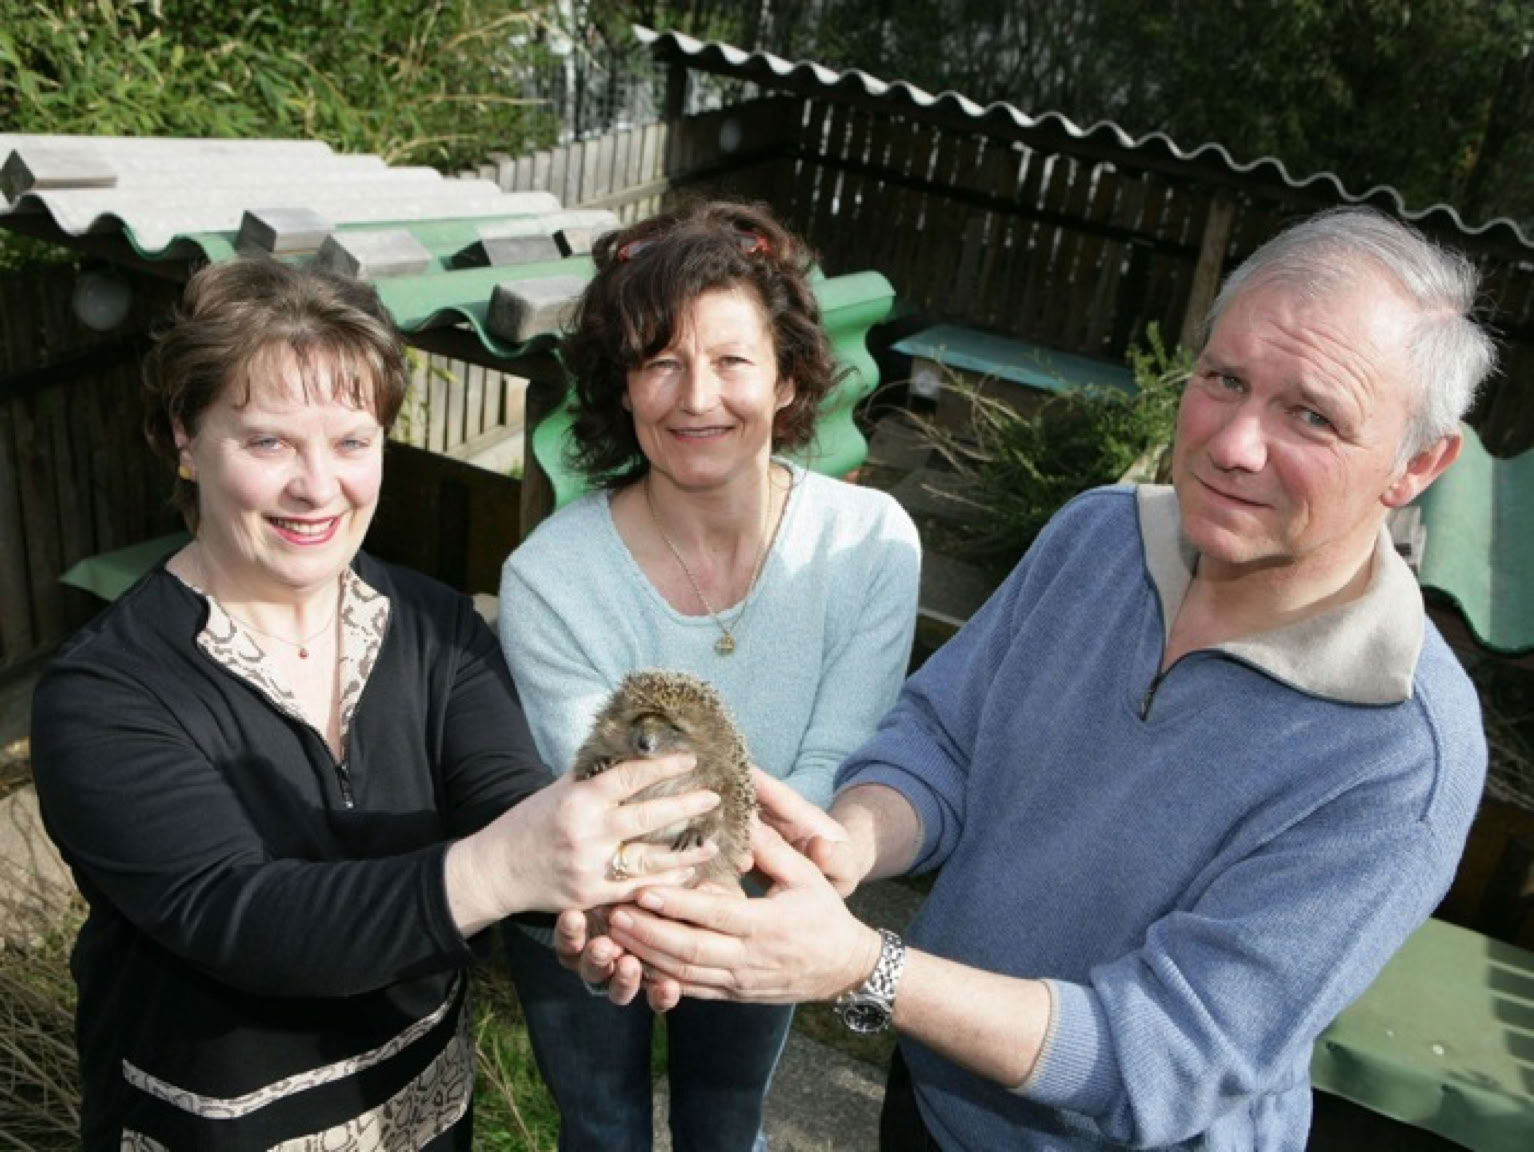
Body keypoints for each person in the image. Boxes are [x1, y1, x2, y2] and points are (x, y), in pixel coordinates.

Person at [583, 206, 1496, 1150]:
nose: (1234, 444)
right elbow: (943, 739)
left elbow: (1169, 1054)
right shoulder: (1100, 537)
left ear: (1417, 464)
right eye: (1225, 380)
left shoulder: (1399, 753)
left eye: (1312, 415)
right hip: (932, 1100)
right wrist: (840, 844)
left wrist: (865, 967)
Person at [29, 258, 726, 1150]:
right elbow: (242, 918)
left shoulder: (438, 627)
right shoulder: (105, 692)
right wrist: (506, 870)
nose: (318, 486)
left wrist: (611, 904)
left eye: (353, 442)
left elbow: (507, 802)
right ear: (184, 439)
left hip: (421, 1112)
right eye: (269, 442)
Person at [497, 199, 921, 1150]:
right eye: (660, 362)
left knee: (727, 1124)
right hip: (590, 901)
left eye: (732, 360)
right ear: (621, 388)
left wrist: (741, 911)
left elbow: (839, 759)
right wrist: (696, 894)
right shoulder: (551, 577)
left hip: (771, 896)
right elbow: (607, 795)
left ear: (787, 377)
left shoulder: (868, 545)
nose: (697, 398)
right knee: (601, 1127)